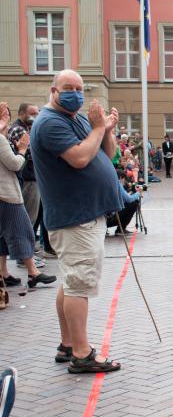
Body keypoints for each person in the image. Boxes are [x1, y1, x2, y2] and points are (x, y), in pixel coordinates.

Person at [31, 69, 123, 373]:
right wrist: (98, 128)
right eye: (68, 87)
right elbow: (80, 158)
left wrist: (106, 130)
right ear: (53, 90)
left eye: (80, 88)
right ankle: (82, 354)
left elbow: (105, 155)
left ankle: (68, 343)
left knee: (71, 281)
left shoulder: (78, 118)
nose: (76, 93)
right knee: (79, 284)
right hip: (74, 219)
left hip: (86, 215)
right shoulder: (49, 123)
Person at [0, 102, 56, 291]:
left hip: (7, 191)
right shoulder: (7, 136)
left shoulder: (4, 135)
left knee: (4, 234)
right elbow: (15, 163)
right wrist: (23, 149)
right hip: (8, 192)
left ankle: (3, 273)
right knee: (23, 228)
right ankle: (33, 272)